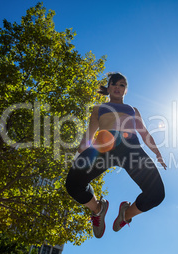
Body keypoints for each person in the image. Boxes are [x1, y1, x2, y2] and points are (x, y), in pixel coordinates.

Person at [65, 72, 166, 238]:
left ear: (126, 90)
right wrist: (78, 155)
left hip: (130, 148)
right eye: (114, 84)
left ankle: (125, 215)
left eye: (122, 85)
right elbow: (89, 135)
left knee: (157, 194)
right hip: (104, 146)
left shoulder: (133, 110)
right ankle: (98, 209)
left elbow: (144, 133)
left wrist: (157, 152)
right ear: (109, 87)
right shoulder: (98, 108)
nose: (118, 88)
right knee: (72, 184)